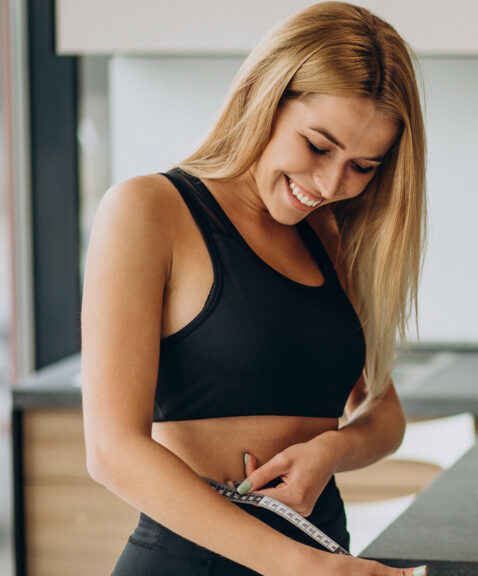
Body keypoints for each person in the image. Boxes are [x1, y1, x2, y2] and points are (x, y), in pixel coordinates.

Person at [80, 3, 427, 575]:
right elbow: (112, 451)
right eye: (318, 146)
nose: (330, 184)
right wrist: (303, 567)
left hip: (321, 549)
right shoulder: (148, 210)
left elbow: (384, 416)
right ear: (265, 95)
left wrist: (329, 450)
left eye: (363, 166)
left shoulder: (327, 237)